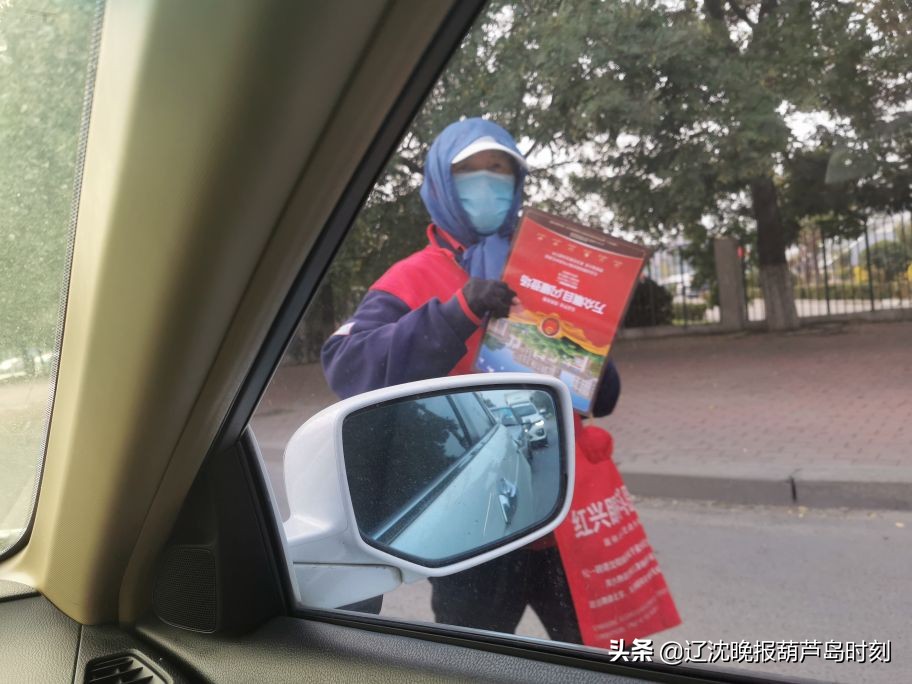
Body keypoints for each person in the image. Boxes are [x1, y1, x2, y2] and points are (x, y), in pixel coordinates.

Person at [322, 117, 621, 641]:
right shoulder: (410, 278)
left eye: (500, 170)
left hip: (565, 520)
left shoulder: (543, 270)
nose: (487, 182)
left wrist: (595, 358)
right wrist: (456, 312)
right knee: (476, 663)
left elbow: (601, 391)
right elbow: (348, 365)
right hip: (475, 524)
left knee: (606, 660)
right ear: (440, 181)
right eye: (470, 171)